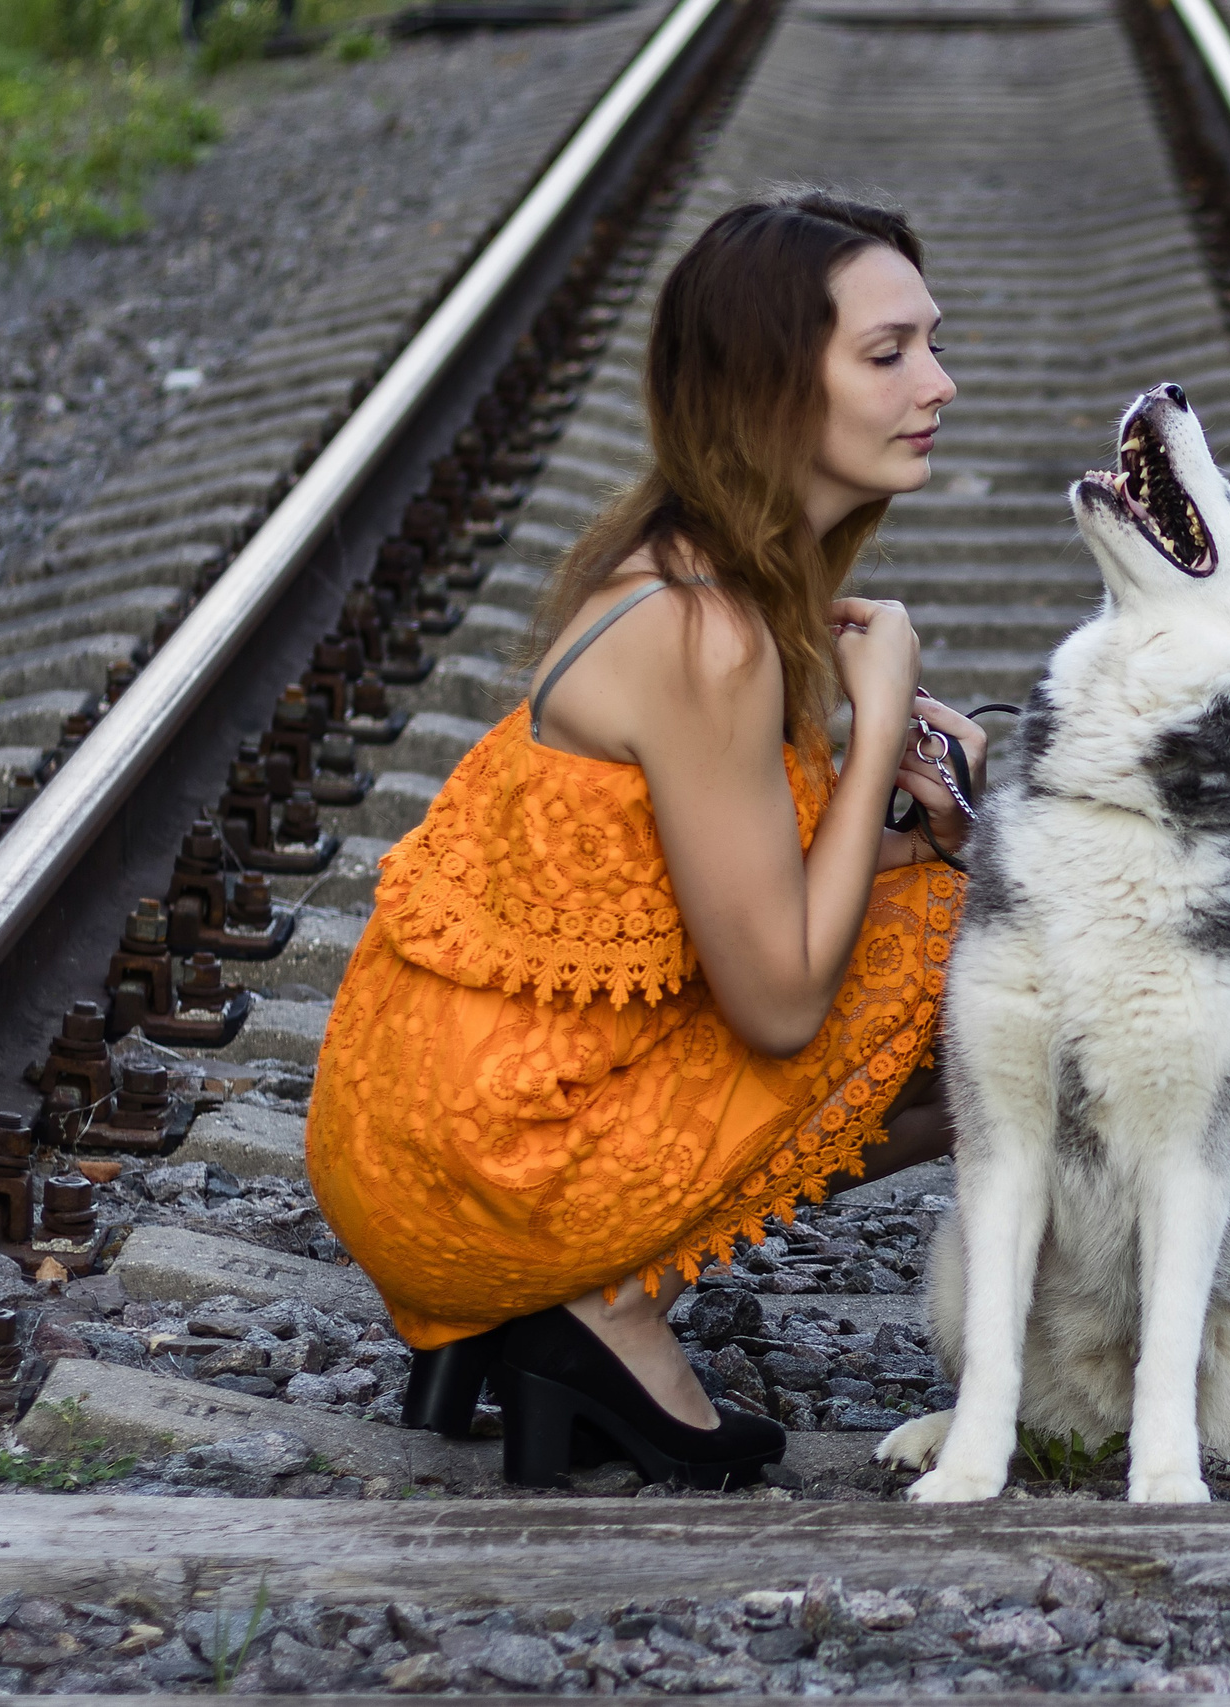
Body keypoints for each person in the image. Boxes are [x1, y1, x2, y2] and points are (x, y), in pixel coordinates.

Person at [305, 190, 981, 1491]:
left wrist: (912, 835)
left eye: (932, 345)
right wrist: (884, 708)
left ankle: (543, 1305)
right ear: (771, 386)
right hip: (492, 1170)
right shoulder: (710, 634)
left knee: (954, 903)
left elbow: (706, 900)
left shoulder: (668, 568)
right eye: (889, 354)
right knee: (1001, 973)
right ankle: (599, 1302)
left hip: (416, 1139)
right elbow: (780, 1004)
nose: (937, 384)